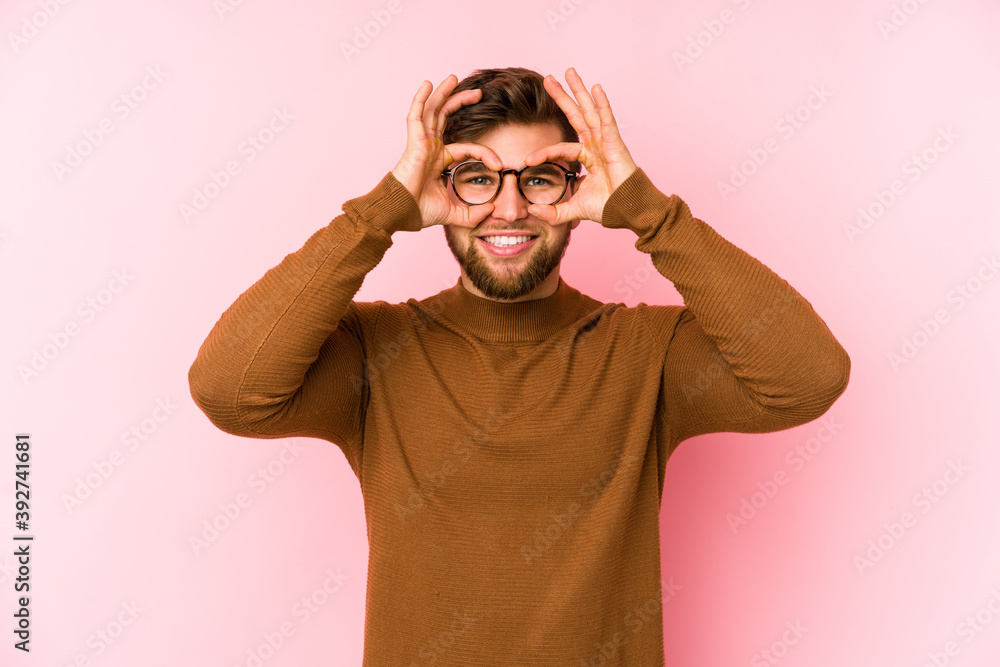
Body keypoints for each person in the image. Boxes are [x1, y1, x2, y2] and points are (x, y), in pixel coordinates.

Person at [188, 66, 850, 666]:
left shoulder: (646, 351)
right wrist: (384, 210)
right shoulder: (376, 351)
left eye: (538, 177)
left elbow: (808, 376)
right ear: (440, 186)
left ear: (577, 185)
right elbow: (230, 389)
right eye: (478, 177)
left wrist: (647, 209)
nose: (509, 209)